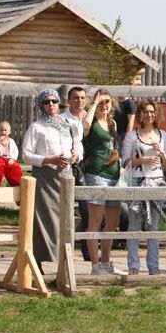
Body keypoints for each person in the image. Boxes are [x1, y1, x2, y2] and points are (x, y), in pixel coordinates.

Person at [21, 89, 79, 273]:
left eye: (54, 101)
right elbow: (26, 155)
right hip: (45, 176)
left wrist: (76, 154)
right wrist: (48, 160)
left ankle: (63, 263)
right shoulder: (36, 127)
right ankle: (36, 263)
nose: (51, 104)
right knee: (43, 219)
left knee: (66, 219)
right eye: (47, 102)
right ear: (41, 105)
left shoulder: (67, 124)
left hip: (65, 175)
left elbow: (76, 145)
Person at [122, 100, 166, 275]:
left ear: (156, 114)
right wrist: (142, 160)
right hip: (137, 180)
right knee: (134, 225)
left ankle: (153, 266)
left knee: (154, 226)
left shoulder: (163, 135)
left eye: (152, 112)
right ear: (141, 115)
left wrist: (163, 152)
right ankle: (133, 266)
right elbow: (125, 162)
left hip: (157, 181)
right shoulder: (132, 136)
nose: (149, 115)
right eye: (146, 112)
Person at [82, 89, 123, 275]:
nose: (104, 106)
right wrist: (93, 103)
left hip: (114, 174)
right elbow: (84, 127)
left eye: (107, 102)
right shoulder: (92, 122)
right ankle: (95, 265)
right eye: (100, 103)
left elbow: (114, 147)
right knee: (95, 221)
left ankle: (106, 262)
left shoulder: (111, 122)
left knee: (113, 221)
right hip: (97, 174)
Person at [60, 86, 90, 261]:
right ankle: (64, 251)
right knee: (64, 210)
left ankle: (87, 252)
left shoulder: (90, 117)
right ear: (69, 100)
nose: (79, 101)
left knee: (88, 212)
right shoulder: (63, 119)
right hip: (68, 168)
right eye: (76, 98)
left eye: (82, 98)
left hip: (88, 168)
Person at [0, 121, 22, 187]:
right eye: (1, 130)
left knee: (15, 167)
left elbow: (15, 151)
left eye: (5, 130)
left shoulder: (11, 141)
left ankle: (14, 182)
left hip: (8, 158)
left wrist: (12, 158)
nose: (3, 132)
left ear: (9, 132)